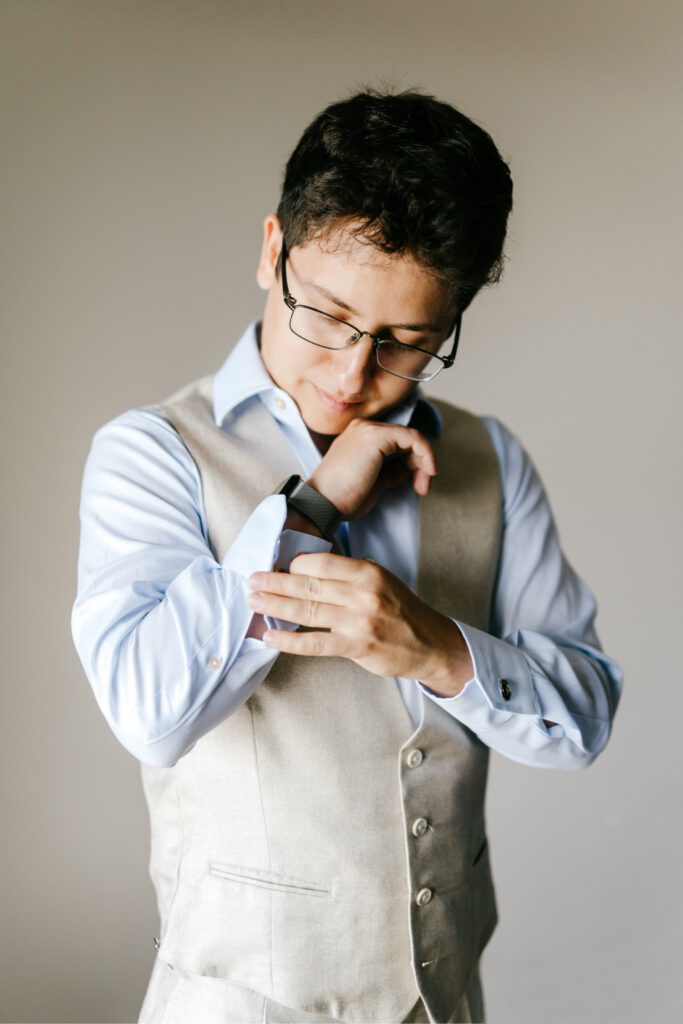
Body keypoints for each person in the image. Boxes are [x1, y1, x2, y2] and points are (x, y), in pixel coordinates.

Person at [72, 90, 622, 1024]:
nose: (349, 373)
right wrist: (312, 506)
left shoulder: (489, 460)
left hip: (441, 1004)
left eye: (405, 344)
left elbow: (582, 719)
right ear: (271, 251)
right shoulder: (152, 451)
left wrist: (439, 651)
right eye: (324, 315)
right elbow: (149, 712)